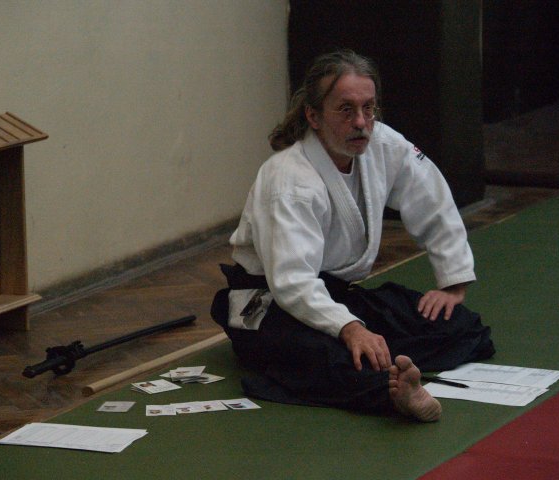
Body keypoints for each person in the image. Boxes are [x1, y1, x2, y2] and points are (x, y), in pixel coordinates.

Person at [211, 50, 494, 422]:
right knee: (331, 357)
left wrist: (453, 279)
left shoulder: (384, 145)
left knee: (460, 327)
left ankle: (386, 366)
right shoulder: (289, 180)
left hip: (334, 295)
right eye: (346, 110)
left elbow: (431, 199)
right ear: (313, 116)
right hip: (270, 305)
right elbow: (292, 282)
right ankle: (393, 392)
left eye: (368, 108)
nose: (361, 122)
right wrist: (348, 327)